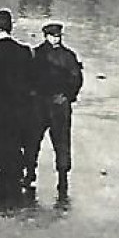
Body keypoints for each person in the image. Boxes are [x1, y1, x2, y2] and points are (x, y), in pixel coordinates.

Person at [0, 9, 38, 190]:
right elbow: (31, 78)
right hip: (17, 101)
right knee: (14, 136)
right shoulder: (24, 51)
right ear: (11, 27)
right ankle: (14, 171)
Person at [31, 22, 84, 197]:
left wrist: (67, 95)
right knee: (57, 141)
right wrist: (69, 96)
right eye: (53, 36)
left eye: (58, 36)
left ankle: (47, 175)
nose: (56, 39)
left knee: (37, 140)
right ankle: (56, 177)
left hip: (46, 102)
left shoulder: (37, 54)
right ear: (46, 36)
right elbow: (76, 79)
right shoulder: (67, 56)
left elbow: (76, 79)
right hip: (54, 103)